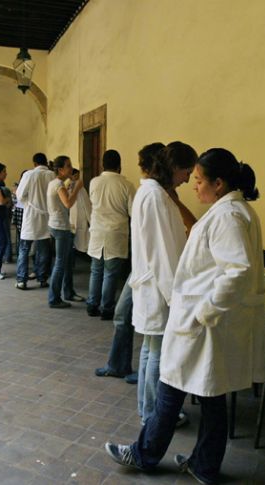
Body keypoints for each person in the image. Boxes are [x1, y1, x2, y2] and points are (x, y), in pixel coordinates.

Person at [104, 148, 265, 485]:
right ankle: (204, 465)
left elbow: (237, 271)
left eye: (198, 181)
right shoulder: (233, 210)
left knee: (171, 388)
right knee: (209, 397)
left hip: (204, 324)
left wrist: (204, 311)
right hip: (206, 323)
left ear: (218, 183)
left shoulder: (227, 217)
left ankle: (144, 454)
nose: (194, 187)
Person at [129, 141, 197, 428]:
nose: (189, 178)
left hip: (152, 284)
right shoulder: (155, 196)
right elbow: (162, 253)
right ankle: (154, 414)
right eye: (187, 171)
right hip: (158, 287)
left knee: (150, 348)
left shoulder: (154, 193)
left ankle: (148, 409)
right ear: (175, 168)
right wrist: (175, 297)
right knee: (156, 351)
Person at [94, 143, 165, 384]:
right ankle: (119, 364)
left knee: (102, 276)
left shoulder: (155, 194)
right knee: (122, 311)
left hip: (146, 264)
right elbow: (134, 215)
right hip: (133, 255)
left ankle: (134, 370)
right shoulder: (133, 188)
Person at [85, 149, 135, 321]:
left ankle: (92, 305)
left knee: (96, 270)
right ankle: (107, 308)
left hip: (97, 231)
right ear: (119, 165)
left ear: (102, 164)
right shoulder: (126, 185)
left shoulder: (94, 182)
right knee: (110, 273)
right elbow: (132, 212)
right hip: (116, 233)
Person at [46, 155, 85, 308]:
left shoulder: (56, 183)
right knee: (61, 263)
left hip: (57, 225)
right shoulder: (58, 185)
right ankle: (54, 298)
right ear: (61, 170)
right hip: (61, 227)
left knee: (67, 262)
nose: (71, 168)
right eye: (68, 166)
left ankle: (68, 292)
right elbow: (68, 203)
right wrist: (77, 188)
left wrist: (71, 185)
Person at [15, 153, 55, 290]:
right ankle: (42, 279)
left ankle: (21, 280)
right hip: (47, 217)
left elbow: (19, 195)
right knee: (44, 250)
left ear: (34, 163)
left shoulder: (29, 175)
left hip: (31, 217)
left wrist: (29, 202)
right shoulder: (52, 175)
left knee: (24, 249)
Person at [68, 168, 91, 262]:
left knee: (82, 236)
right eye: (75, 175)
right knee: (73, 236)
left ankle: (81, 254)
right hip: (73, 215)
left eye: (78, 175)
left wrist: (89, 218)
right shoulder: (69, 187)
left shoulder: (81, 188)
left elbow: (86, 203)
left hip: (81, 215)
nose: (77, 177)